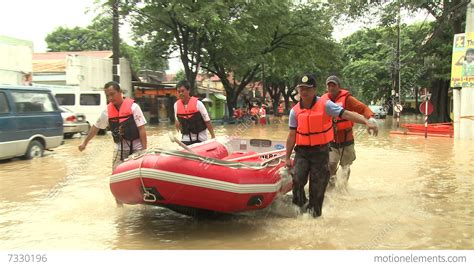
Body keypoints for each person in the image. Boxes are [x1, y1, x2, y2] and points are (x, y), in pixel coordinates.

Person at [285, 74, 378, 217]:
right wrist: (286, 158)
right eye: (301, 89)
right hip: (302, 151)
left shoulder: (326, 104)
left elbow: (347, 114)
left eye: (307, 89)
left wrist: (367, 121)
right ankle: (300, 209)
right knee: (297, 180)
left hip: (321, 151)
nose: (304, 92)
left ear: (314, 90)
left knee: (318, 187)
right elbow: (291, 136)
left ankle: (314, 216)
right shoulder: (294, 111)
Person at [322, 75, 378, 189]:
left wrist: (370, 119)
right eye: (329, 85)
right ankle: (331, 187)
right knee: (331, 165)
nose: (331, 88)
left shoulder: (347, 99)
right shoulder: (323, 100)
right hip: (330, 140)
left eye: (334, 85)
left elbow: (363, 109)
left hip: (346, 140)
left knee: (345, 166)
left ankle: (344, 187)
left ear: (339, 87)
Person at [78, 81, 148, 171]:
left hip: (137, 149)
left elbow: (141, 129)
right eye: (107, 96)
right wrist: (85, 143)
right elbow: (95, 128)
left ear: (120, 92)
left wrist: (144, 150)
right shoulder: (106, 111)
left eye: (112, 94)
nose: (110, 98)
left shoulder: (134, 107)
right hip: (120, 150)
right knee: (116, 174)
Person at [174, 80, 215, 146]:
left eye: (182, 91)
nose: (180, 93)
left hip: (200, 139)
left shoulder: (198, 104)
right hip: (186, 139)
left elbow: (207, 121)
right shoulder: (176, 105)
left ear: (188, 90)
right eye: (178, 92)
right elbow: (177, 122)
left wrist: (213, 137)